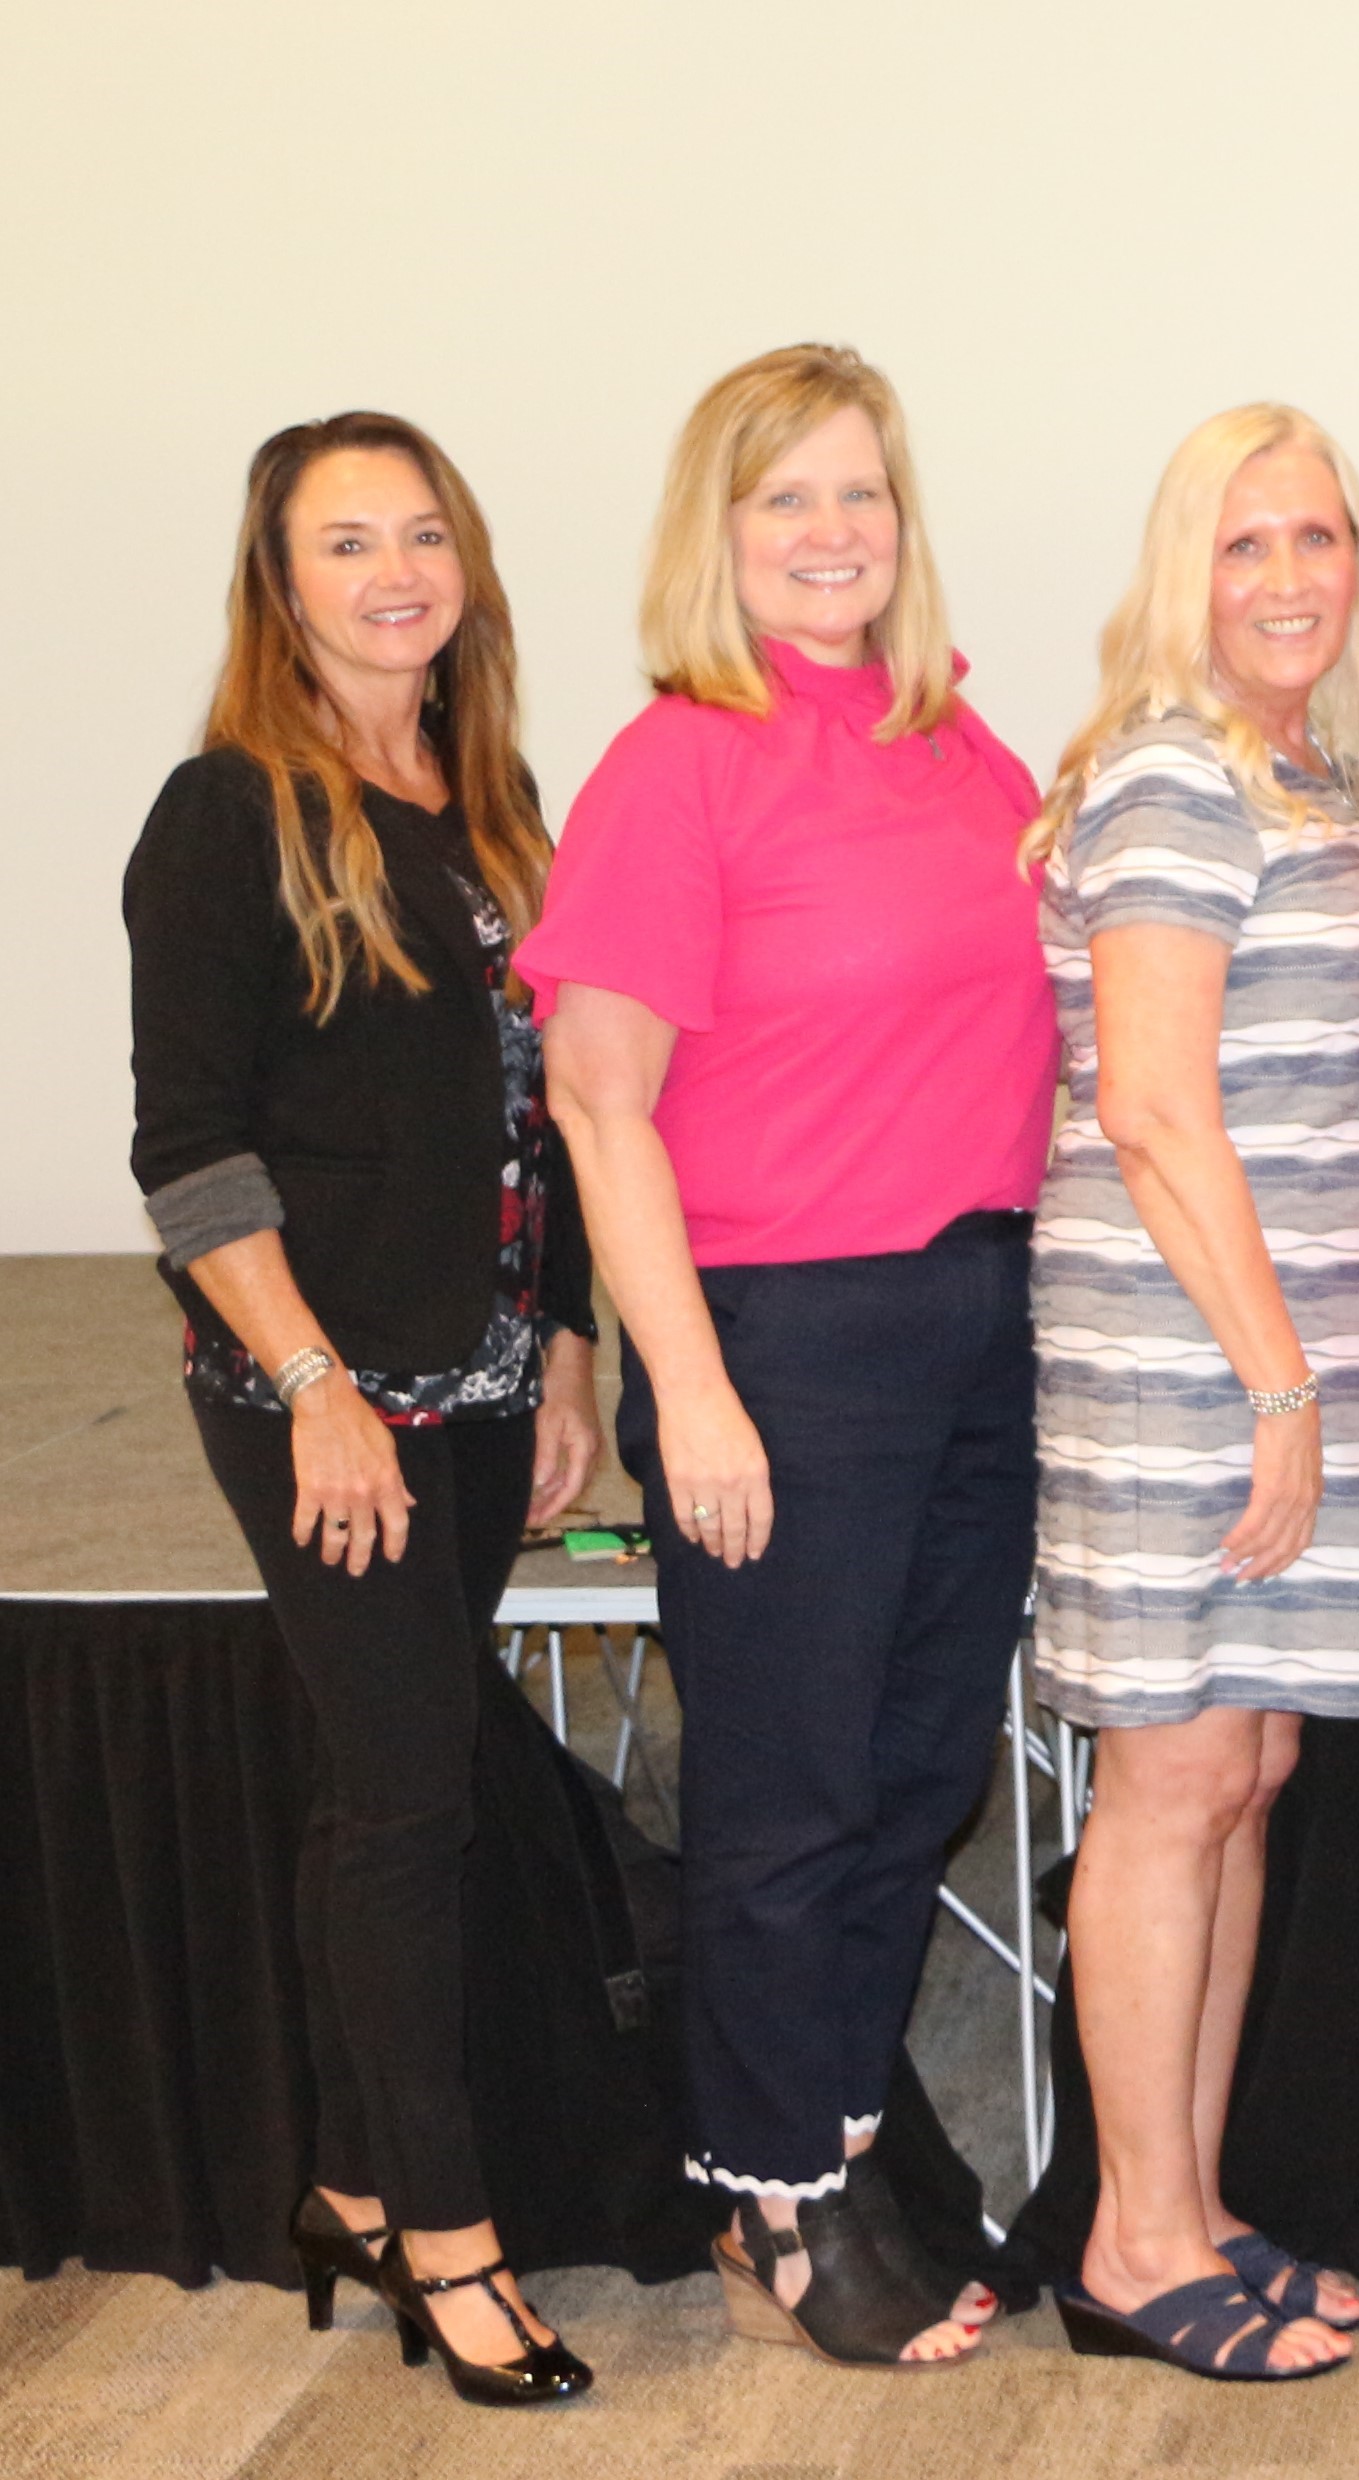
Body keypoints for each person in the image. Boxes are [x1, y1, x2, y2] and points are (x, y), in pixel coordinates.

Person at [525, 344, 1058, 2370]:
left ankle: (834, 2136)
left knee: (915, 1776)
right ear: (715, 538)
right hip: (781, 1335)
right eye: (786, 502)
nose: (832, 534)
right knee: (784, 1789)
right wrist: (698, 1392)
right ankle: (773, 2186)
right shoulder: (679, 761)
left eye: (861, 495)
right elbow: (600, 1104)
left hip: (971, 1321)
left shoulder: (957, 746)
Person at [125, 412, 599, 2407]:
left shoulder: (489, 801)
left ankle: (338, 2175)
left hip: (489, 1388)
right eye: (346, 543)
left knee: (382, 1793)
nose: (394, 569)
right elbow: (192, 1152)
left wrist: (565, 1348)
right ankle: (448, 2240)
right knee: (409, 1801)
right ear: (282, 581)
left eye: (422, 533)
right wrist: (317, 1387)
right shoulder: (227, 811)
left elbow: (552, 1119)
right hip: (319, 1395)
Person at [1025, 403, 1359, 2382]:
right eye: (1241, 542)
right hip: (1194, 1364)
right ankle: (1129, 2230)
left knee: (1246, 1771)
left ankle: (1185, 2199)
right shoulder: (1178, 777)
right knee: (1173, 1777)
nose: (1287, 576)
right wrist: (1280, 1386)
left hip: (1299, 1362)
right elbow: (1155, 1103)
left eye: (1318, 537)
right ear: (1179, 572)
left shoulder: (1312, 773)